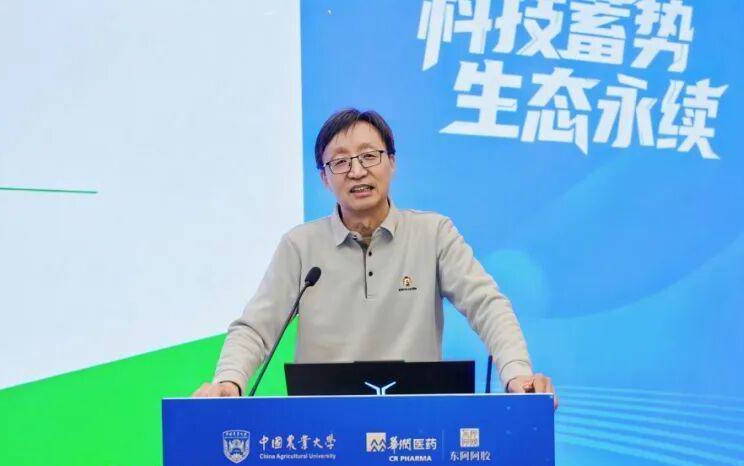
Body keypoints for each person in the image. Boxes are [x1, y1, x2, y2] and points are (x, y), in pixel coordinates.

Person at [192, 108, 556, 404]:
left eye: (369, 156)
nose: (357, 171)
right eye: (340, 162)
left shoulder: (434, 233)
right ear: (324, 178)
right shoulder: (300, 245)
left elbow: (487, 305)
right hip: (323, 433)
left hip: (418, 428)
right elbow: (256, 328)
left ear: (392, 162)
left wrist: (517, 373)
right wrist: (229, 381)